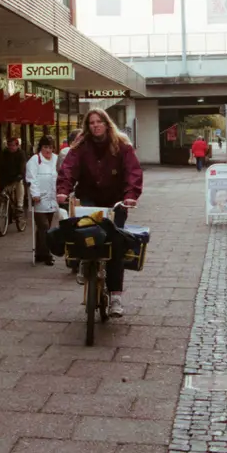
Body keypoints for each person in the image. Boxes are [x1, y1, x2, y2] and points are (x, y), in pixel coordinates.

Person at [56, 109, 143, 317]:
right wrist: (62, 191)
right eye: (91, 122)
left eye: (99, 122)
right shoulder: (80, 146)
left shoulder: (122, 145)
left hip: (116, 201)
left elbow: (133, 172)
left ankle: (115, 296)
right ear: (87, 126)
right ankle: (84, 264)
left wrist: (130, 195)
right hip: (89, 198)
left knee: (115, 244)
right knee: (84, 232)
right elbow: (68, 169)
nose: (95, 125)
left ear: (107, 123)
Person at [26, 135, 60, 266]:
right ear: (41, 147)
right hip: (39, 198)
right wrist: (35, 193)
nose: (48, 150)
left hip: (52, 197)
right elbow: (31, 178)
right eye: (45, 147)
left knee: (45, 227)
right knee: (44, 226)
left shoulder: (56, 159)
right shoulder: (35, 160)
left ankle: (39, 253)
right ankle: (47, 254)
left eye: (50, 147)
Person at [0, 134, 27, 221]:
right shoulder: (4, 153)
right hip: (5, 177)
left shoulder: (21, 154)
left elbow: (23, 166)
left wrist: (21, 174)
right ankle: (4, 208)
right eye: (9, 145)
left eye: (13, 145)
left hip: (16, 177)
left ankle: (19, 206)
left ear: (17, 145)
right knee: (3, 193)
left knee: (19, 185)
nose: (11, 147)